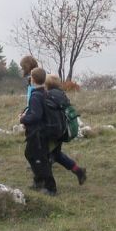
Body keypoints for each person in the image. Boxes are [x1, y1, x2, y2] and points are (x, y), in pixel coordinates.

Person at [20, 67, 57, 195]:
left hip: (38, 133)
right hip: (44, 131)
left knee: (40, 159)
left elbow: (36, 116)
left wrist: (23, 119)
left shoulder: (35, 96)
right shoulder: (44, 92)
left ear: (33, 79)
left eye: (31, 76)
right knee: (31, 155)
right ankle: (39, 180)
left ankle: (51, 188)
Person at [44, 75, 86, 184]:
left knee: (45, 155)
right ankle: (79, 171)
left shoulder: (48, 95)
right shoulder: (61, 94)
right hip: (62, 128)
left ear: (47, 84)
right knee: (56, 154)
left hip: (53, 130)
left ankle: (46, 183)